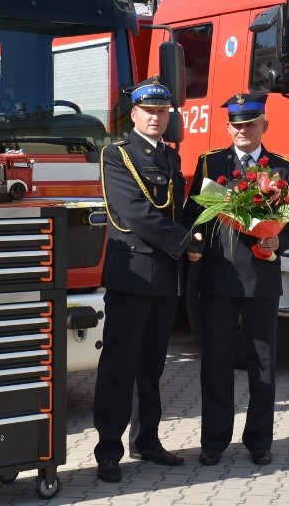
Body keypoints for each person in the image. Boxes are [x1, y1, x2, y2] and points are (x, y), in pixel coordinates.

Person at [183, 91, 289, 467]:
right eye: (236, 124)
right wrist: (193, 241)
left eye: (250, 124)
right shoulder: (210, 164)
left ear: (264, 126)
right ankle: (214, 441)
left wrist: (279, 239)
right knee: (216, 363)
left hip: (262, 278)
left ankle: (259, 441)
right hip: (219, 279)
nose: (242, 130)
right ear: (228, 127)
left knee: (262, 364)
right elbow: (192, 214)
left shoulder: (280, 168)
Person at [93, 76, 202, 483]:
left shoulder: (171, 158)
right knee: (119, 366)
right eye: (149, 111)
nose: (156, 117)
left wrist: (198, 232)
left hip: (164, 276)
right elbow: (137, 213)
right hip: (133, 272)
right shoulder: (117, 155)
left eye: (162, 111)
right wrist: (187, 242)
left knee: (151, 366)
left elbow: (176, 211)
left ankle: (148, 441)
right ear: (134, 113)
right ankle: (108, 450)